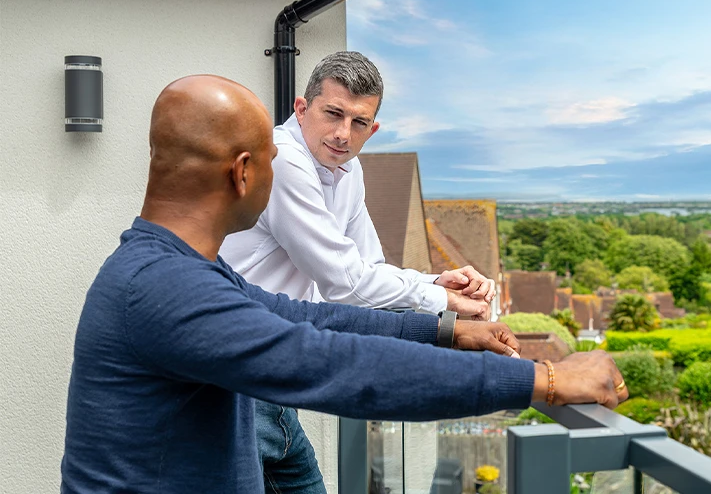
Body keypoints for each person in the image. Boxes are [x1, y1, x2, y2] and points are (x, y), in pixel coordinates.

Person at [60, 74, 629, 493]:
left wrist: (442, 331)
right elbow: (332, 363)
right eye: (270, 158)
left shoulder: (173, 267)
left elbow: (304, 316)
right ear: (244, 172)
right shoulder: (167, 289)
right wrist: (544, 378)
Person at [218, 51, 500, 492]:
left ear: (374, 129)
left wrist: (435, 282)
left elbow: (367, 269)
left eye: (359, 122)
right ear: (301, 108)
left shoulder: (348, 171)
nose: (342, 134)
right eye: (333, 113)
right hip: (235, 379)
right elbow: (343, 281)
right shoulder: (282, 160)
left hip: (272, 377)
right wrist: (445, 303)